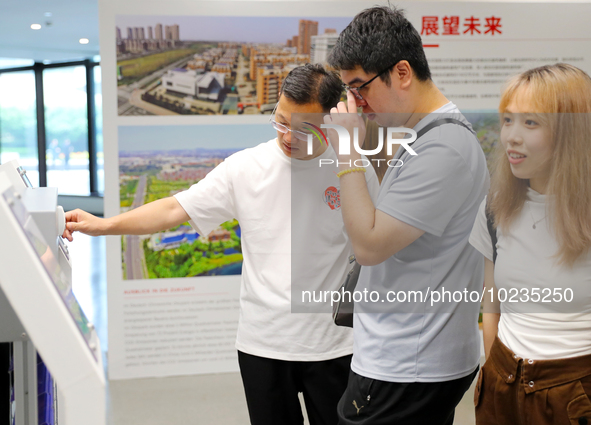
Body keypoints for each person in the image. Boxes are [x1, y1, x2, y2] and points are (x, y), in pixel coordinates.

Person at [63, 64, 379, 425]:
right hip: (263, 344)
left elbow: (377, 238)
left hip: (334, 345)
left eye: (303, 129)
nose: (288, 136)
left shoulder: (351, 167)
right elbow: (172, 208)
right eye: (280, 122)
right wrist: (103, 225)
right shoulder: (245, 168)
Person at [324, 6, 489, 424]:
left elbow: (370, 245)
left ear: (401, 72)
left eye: (360, 88)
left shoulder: (444, 147)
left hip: (408, 361)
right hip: (410, 353)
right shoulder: (426, 134)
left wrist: (346, 151)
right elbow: (390, 212)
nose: (355, 103)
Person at [469, 63, 591, 425]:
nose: (511, 136)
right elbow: (492, 301)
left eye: (531, 123)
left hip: (575, 393)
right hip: (502, 385)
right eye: (508, 120)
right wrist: (495, 368)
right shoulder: (496, 206)